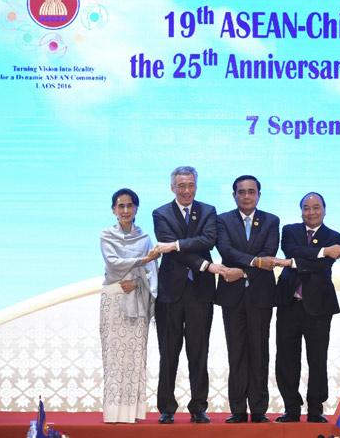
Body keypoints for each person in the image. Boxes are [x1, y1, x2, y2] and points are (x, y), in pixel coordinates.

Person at [152, 166, 242, 424]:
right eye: (181, 186)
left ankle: (198, 407)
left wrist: (177, 244)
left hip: (200, 292)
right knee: (168, 352)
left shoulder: (208, 211)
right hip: (170, 293)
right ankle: (166, 408)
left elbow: (208, 241)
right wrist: (205, 264)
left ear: (196, 186)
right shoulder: (161, 213)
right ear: (172, 187)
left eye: (191, 185)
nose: (186, 190)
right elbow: (171, 248)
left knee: (198, 351)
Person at [276, 192, 340, 423]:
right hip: (289, 303)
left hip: (319, 306)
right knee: (287, 358)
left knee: (317, 358)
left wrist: (296, 262)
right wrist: (319, 253)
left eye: (316, 207)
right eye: (306, 208)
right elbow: (291, 251)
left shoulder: (334, 236)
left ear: (324, 210)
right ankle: (291, 408)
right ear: (301, 211)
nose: (311, 212)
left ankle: (315, 409)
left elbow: (321, 266)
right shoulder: (289, 231)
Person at [215, 175, 280, 423]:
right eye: (241, 192)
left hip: (261, 295)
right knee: (237, 352)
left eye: (251, 192)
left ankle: (259, 409)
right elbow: (226, 250)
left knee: (259, 351)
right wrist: (254, 262)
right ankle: (238, 409)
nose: (246, 196)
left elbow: (269, 254)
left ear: (258, 195)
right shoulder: (222, 220)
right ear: (234, 195)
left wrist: (242, 270)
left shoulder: (271, 221)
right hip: (232, 297)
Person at [99, 188, 160, 423]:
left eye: (129, 205)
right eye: (120, 206)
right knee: (114, 356)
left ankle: (132, 413)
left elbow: (151, 272)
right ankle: (113, 412)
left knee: (135, 356)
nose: (125, 210)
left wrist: (136, 280)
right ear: (113, 210)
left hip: (137, 297)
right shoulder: (106, 235)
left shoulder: (144, 238)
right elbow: (114, 266)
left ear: (136, 209)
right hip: (114, 298)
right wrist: (144, 260)